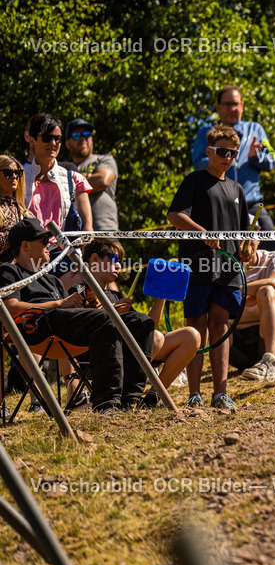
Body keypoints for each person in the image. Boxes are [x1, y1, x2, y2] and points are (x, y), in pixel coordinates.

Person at [0, 218, 153, 413]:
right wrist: (60, 304)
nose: (50, 245)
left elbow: (72, 311)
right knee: (105, 320)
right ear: (25, 246)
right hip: (37, 329)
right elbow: (9, 307)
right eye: (44, 241)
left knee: (140, 321)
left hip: (65, 326)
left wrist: (91, 306)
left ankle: (129, 399)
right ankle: (106, 403)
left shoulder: (53, 280)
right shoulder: (9, 271)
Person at [168, 124, 255, 412]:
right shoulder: (194, 180)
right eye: (221, 151)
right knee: (195, 327)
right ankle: (194, 394)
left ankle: (221, 393)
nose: (227, 157)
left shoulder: (237, 188)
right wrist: (202, 233)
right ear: (208, 151)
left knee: (221, 325)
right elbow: (175, 215)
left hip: (228, 269)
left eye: (233, 153)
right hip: (198, 265)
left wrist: (247, 248)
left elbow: (243, 231)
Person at [63, 238, 200, 402]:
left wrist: (161, 295)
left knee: (190, 336)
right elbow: (73, 332)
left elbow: (148, 330)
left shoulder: (116, 296)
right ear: (94, 259)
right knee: (156, 338)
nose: (118, 265)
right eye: (114, 259)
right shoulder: (77, 293)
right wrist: (111, 312)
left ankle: (153, 397)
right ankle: (128, 396)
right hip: (97, 357)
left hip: (130, 353)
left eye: (120, 261)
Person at [192, 85, 275, 249]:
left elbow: (271, 161)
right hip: (219, 206)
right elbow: (198, 163)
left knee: (274, 251)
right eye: (227, 104)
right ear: (218, 107)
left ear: (242, 105)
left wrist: (256, 157)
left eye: (236, 104)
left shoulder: (256, 129)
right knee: (224, 254)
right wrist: (221, 157)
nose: (232, 108)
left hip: (252, 205)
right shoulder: (206, 132)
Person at [232, 247, 275, 382]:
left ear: (258, 239)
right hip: (237, 345)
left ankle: (271, 361)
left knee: (267, 291)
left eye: (250, 238)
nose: (244, 244)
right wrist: (255, 294)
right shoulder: (223, 263)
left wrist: (235, 291)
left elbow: (273, 282)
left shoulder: (274, 257)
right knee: (214, 307)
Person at [23, 114, 93, 232]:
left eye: (57, 138)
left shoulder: (74, 179)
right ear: (32, 140)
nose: (53, 143)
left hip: (64, 244)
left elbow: (88, 227)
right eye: (46, 138)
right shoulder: (17, 176)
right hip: (27, 244)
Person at [65, 118, 119, 231]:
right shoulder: (64, 168)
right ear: (67, 144)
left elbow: (102, 180)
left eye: (86, 134)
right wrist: (89, 176)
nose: (82, 138)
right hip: (73, 233)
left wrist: (72, 182)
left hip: (105, 231)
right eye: (76, 136)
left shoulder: (104, 159)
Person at [0, 156, 28, 262]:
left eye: (17, 173)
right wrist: (15, 234)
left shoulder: (23, 211)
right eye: (8, 173)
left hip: (23, 270)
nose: (14, 177)